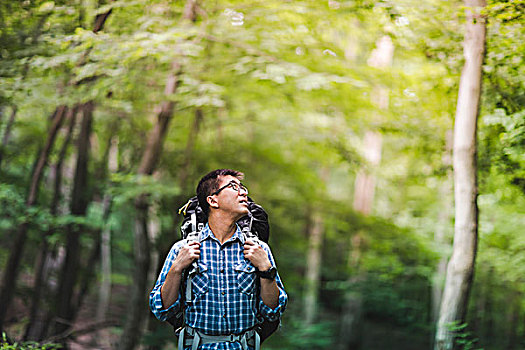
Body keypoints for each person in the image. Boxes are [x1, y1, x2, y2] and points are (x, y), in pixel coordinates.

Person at [150, 169, 287, 350]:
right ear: (213, 200)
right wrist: (176, 268)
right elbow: (161, 309)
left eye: (243, 188)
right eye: (233, 187)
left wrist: (265, 269)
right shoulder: (182, 250)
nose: (244, 192)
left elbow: (273, 311)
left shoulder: (259, 250)